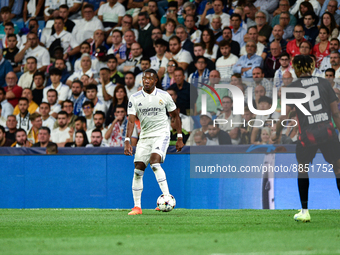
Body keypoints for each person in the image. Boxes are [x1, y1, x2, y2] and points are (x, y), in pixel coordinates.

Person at [274, 55, 340, 222]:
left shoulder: (293, 88)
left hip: (307, 136)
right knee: (338, 169)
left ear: (296, 69)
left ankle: (304, 211)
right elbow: (336, 113)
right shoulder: (325, 83)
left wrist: (276, 132)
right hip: (328, 132)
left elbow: (284, 116)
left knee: (303, 169)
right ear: (312, 67)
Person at [124, 68, 184, 215]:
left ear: (155, 81)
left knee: (155, 163)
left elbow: (175, 116)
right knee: (138, 170)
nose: (146, 80)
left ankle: (167, 198)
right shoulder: (135, 97)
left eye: (150, 78)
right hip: (144, 137)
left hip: (161, 134)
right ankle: (137, 207)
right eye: (144, 78)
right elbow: (131, 121)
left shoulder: (164, 96)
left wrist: (180, 137)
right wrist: (127, 140)